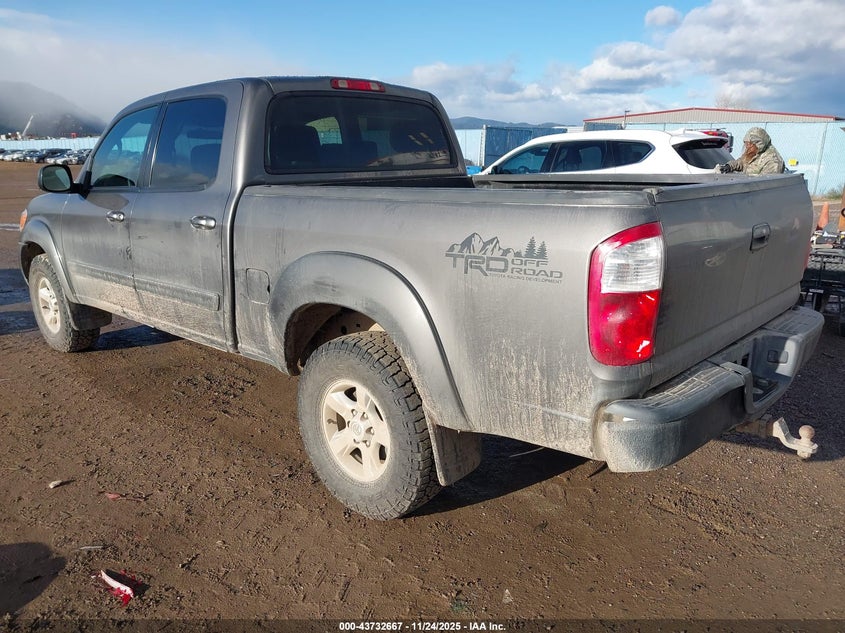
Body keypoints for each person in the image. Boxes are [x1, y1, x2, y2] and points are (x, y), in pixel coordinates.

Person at [717, 127, 785, 175]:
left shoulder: (773, 161)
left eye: (749, 144)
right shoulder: (753, 152)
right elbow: (741, 162)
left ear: (759, 144)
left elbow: (765, 184)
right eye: (746, 144)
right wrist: (729, 166)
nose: (747, 147)